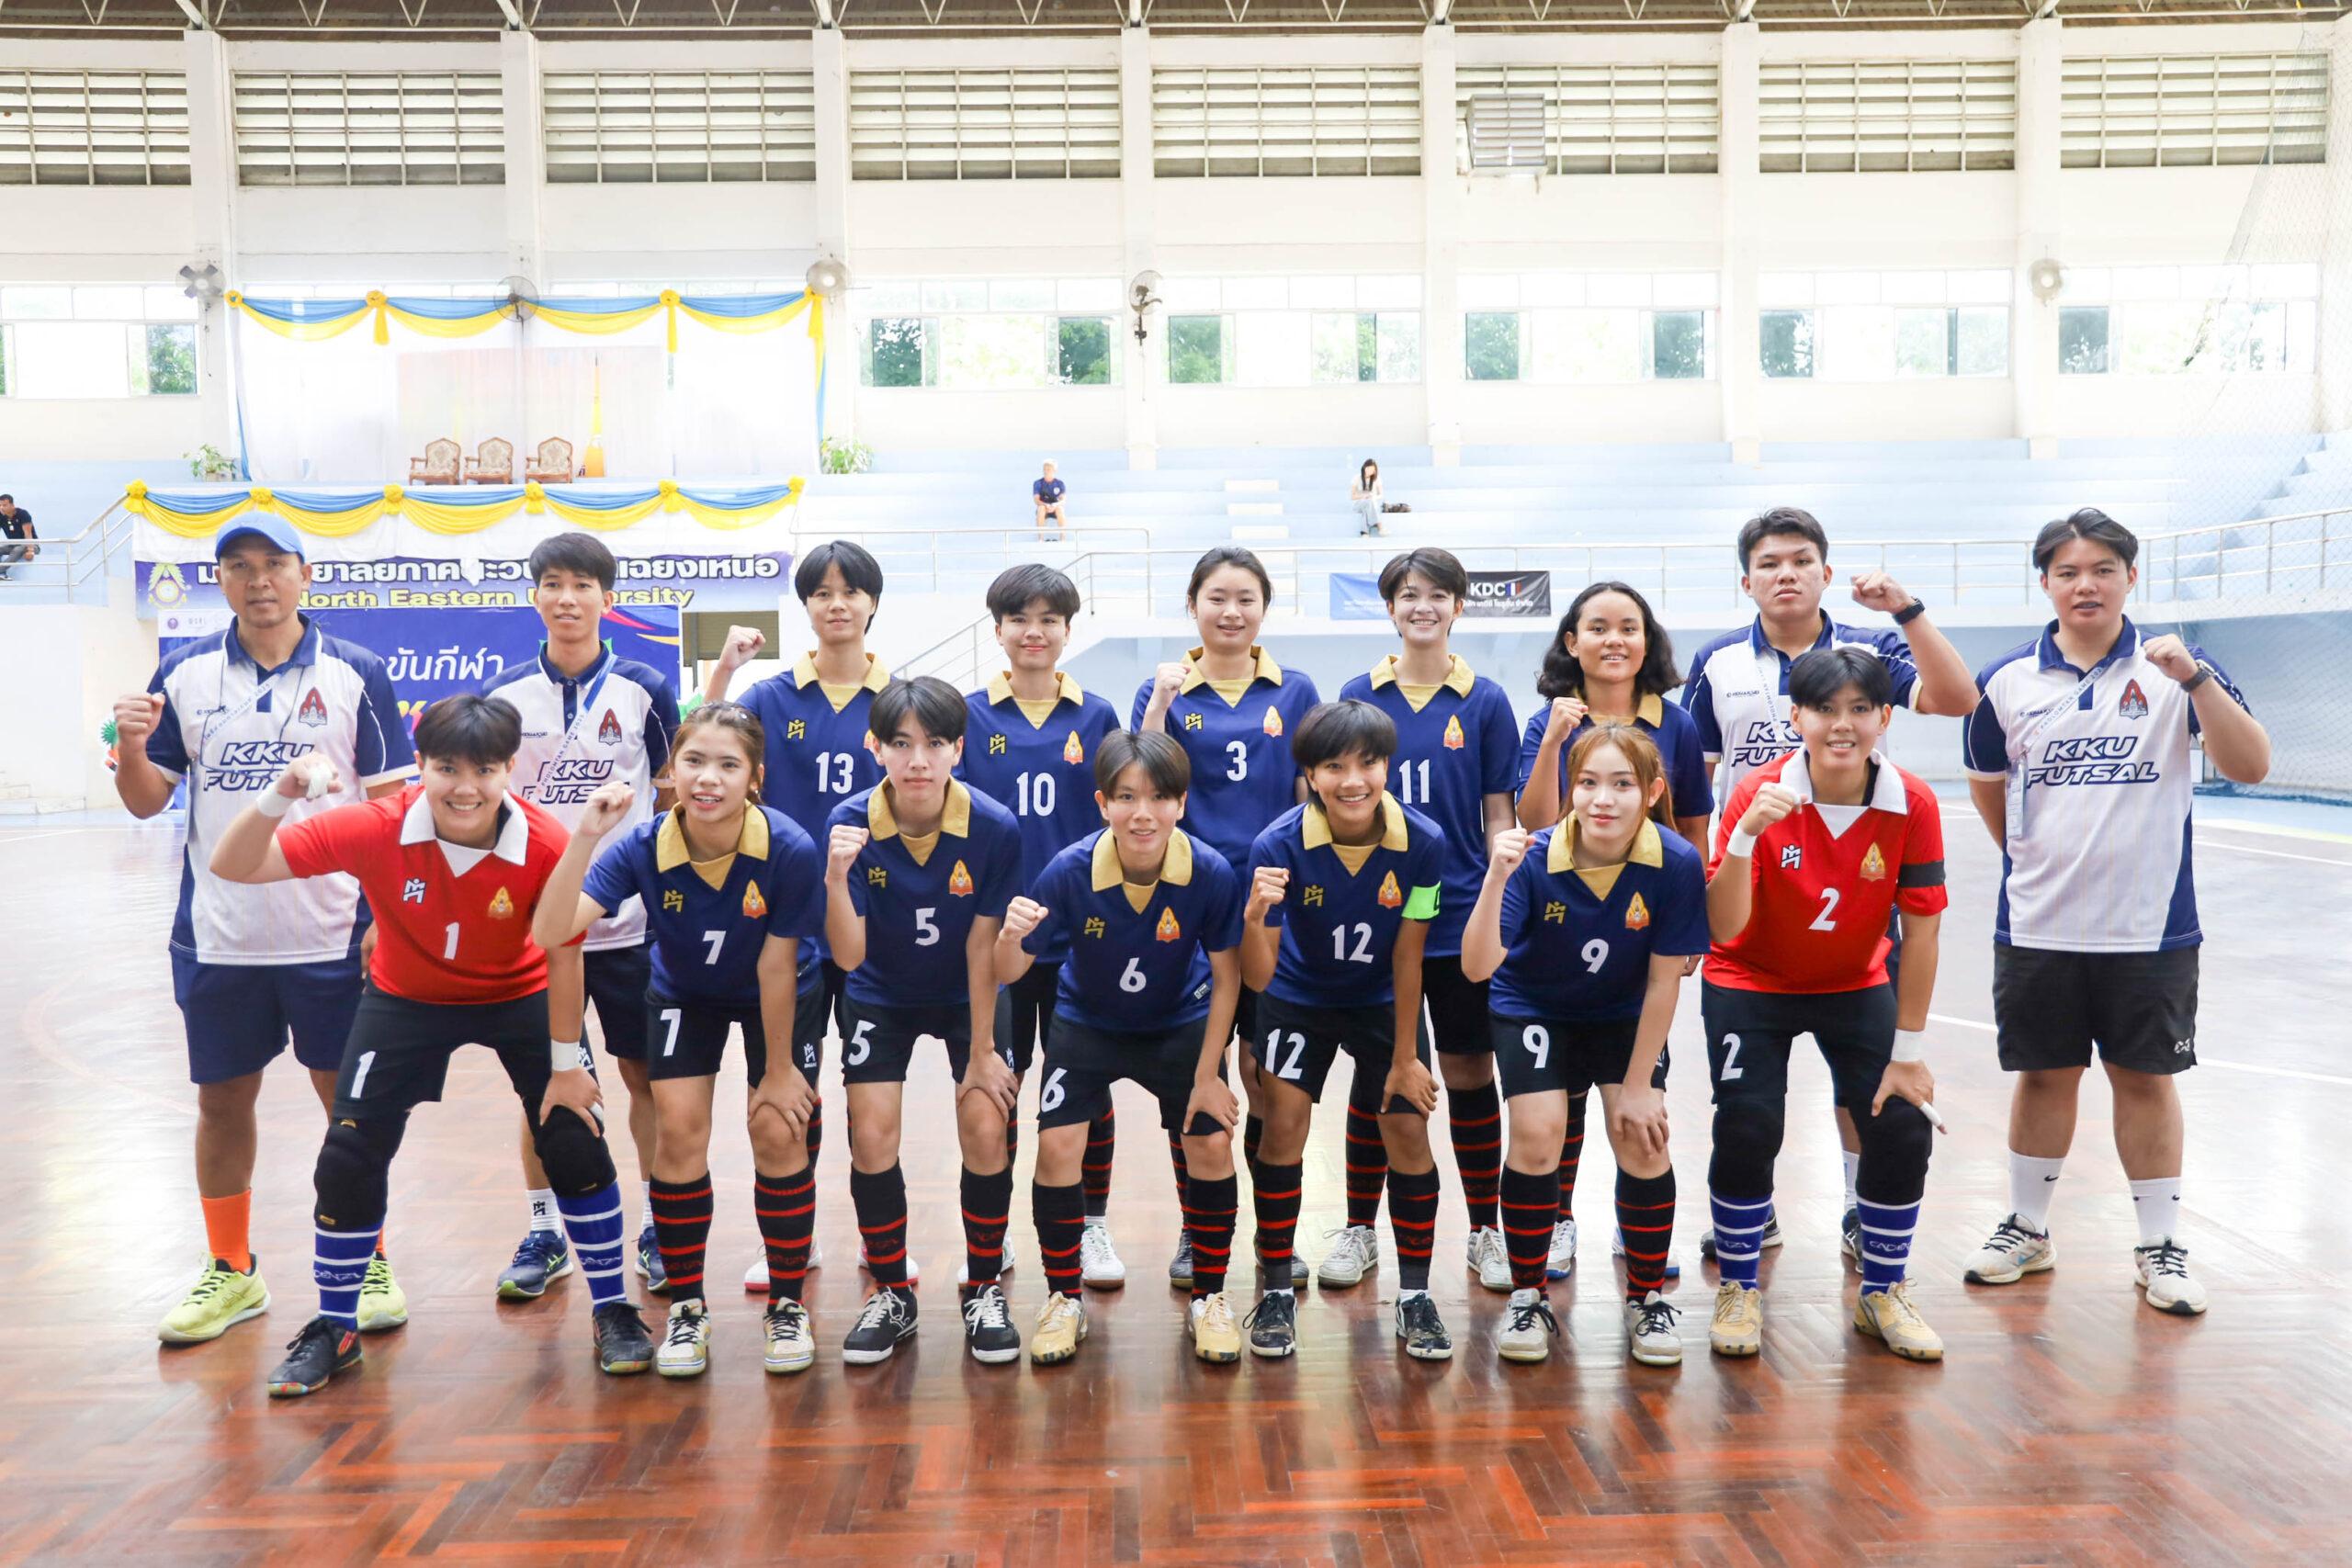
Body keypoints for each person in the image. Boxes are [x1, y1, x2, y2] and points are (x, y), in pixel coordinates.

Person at [210, 694, 656, 1396]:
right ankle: (336, 1326)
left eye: (485, 770)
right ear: (419, 764)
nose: (465, 787)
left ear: (510, 768)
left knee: (573, 1132)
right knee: (348, 1153)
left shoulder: (543, 841)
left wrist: (567, 1067)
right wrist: (281, 793)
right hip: (406, 998)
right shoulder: (376, 825)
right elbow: (236, 864)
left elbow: (565, 950)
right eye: (447, 768)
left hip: (519, 992)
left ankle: (612, 1308)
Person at [113, 515, 417, 1348]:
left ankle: (369, 1259)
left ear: (304, 574)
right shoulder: (183, 673)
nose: (259, 580)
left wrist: (386, 919)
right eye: (239, 566)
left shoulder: (357, 672)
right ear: (220, 580)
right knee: (221, 1103)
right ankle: (231, 1267)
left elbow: (393, 807)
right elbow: (145, 799)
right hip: (220, 936)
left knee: (348, 1108)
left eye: (275, 564)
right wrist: (133, 746)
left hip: (333, 935)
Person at [1958, 509, 2267, 1317]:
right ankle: (2028, 1226)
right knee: (2043, 1074)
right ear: (2045, 583)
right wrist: (2036, 861)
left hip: (2149, 925)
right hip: (2038, 922)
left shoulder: (2179, 669)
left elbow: (2251, 764)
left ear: (2131, 577)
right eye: (2068, 571)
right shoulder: (2005, 680)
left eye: (2102, 569)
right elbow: (1990, 789)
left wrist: (2195, 681)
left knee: (2146, 1079)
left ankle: (2160, 1243)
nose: (2085, 584)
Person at [1680, 506, 1975, 1266]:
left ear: (1826, 572)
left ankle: (1858, 1206)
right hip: (1756, 878)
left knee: (1871, 1093)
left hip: (1855, 880)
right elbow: (1693, 787)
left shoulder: (1871, 649)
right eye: (1770, 562)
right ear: (1746, 580)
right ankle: (1750, 1225)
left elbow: (1957, 699)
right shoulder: (1717, 661)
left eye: (1801, 560)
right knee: (1749, 1115)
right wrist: (1706, 885)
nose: (1786, 573)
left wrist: (1907, 610)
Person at [532, 704, 830, 1377]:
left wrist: (779, 1070)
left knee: (777, 1127)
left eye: (728, 765)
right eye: (694, 761)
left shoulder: (788, 848)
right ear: (671, 769)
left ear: (754, 777)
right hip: (685, 993)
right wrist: (585, 834)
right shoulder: (640, 845)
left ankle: (787, 1304)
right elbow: (552, 931)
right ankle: (688, 1307)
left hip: (778, 990)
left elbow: (777, 965)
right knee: (678, 1131)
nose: (708, 778)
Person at [1701, 647, 1949, 1364]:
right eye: (1825, 709)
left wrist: (1909, 1053)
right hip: (1750, 979)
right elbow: (1722, 927)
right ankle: (1739, 1286)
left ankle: (1883, 1290)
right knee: (1749, 1121)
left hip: (1853, 982)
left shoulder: (1912, 802)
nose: (1843, 724)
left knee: (1902, 1123)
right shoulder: (1759, 793)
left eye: (1860, 709)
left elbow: (1923, 931)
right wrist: (1744, 837)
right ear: (1796, 717)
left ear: (1885, 718)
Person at [997, 731, 1247, 1365]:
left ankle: (1209, 1297)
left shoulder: (1210, 872)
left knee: (1212, 1143)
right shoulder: (1069, 870)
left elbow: (1228, 977)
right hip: (1088, 1021)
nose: (1143, 813)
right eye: (1127, 797)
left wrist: (1211, 1074)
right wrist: (1008, 937)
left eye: (1159, 797)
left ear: (1181, 803)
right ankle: (1063, 1298)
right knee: (1057, 1144)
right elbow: (1009, 969)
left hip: (1180, 1020)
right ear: (1103, 802)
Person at [1463, 724, 1708, 1366]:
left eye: (1622, 784)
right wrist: (1493, 879)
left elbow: (1665, 980)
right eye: (1589, 782)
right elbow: (1477, 966)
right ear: (1570, 789)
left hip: (1624, 1013)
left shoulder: (1676, 861)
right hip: (1535, 1006)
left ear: (1651, 791)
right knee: (1538, 1131)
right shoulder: (1532, 857)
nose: (1603, 798)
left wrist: (1639, 1086)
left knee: (1642, 1133)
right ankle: (1528, 1295)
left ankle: (1646, 1298)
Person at [481, 533, 680, 1303]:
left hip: (631, 927)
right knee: (544, 1084)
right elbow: (488, 807)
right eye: (553, 583)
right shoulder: (505, 695)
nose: (567, 598)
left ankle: (660, 1224)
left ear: (607, 597)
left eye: (583, 584)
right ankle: (545, 1229)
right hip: (538, 929)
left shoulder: (644, 688)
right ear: (534, 596)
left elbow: (670, 791)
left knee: (646, 1077)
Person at [1134, 546, 1322, 1291]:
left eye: (1246, 598)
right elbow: (1143, 779)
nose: (1231, 611)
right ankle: (1198, 1225)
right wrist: (1158, 703)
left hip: (1276, 910)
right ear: (1193, 605)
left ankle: (1276, 1239)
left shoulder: (1296, 688)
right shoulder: (1167, 689)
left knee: (1266, 1077)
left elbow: (1314, 793)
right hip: (1194, 907)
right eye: (1217, 597)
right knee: (1197, 1073)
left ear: (1264, 609)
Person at [1239, 701, 1451, 1360]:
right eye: (1334, 766)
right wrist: (1253, 917)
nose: (1352, 780)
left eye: (1368, 763)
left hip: (1383, 998)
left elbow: (1410, 952)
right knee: (1283, 1124)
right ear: (1310, 774)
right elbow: (1258, 974)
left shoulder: (1424, 842)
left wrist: (1406, 1056)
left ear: (1388, 766)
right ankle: (1277, 1286)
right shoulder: (1276, 845)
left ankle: (1415, 1294)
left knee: (1407, 1127)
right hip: (1298, 997)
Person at [1514, 579, 1711, 1286]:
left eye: (1629, 626)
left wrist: (1692, 923)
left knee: (1636, 1089)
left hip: (1641, 925)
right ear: (1572, 642)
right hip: (1562, 921)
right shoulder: (1549, 721)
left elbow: (1692, 825)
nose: (1614, 639)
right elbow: (1535, 822)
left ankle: (1638, 1227)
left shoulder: (1675, 723)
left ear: (1647, 640)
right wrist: (1554, 739)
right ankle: (1558, 1219)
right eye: (1598, 626)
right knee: (1554, 1102)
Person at [824, 677, 1026, 1365]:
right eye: (901, 743)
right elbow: (848, 955)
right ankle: (892, 1292)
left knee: (986, 1121)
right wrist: (835, 877)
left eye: (935, 744)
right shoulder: (848, 823)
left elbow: (983, 945)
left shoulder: (994, 826)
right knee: (871, 1132)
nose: (918, 760)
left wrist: (981, 1052)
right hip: (879, 990)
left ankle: (983, 1286)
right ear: (874, 746)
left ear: (958, 750)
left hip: (968, 992)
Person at [706, 538, 889, 1291]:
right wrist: (725, 671)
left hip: (876, 924)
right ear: (805, 605)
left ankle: (882, 1239)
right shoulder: (769, 698)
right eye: (821, 592)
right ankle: (792, 1239)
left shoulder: (901, 699)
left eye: (851, 591)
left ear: (873, 602)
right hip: (785, 927)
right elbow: (704, 747)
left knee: (874, 1094)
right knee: (785, 1085)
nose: (837, 604)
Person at [1334, 549, 1516, 1297]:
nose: (1423, 607)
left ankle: (1485, 1230)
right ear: (1390, 607)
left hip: (1460, 916)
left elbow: (1499, 812)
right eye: (1409, 594)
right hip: (1381, 917)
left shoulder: (1487, 700)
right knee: (1380, 1070)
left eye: (1438, 594)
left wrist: (1499, 899)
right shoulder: (1359, 694)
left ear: (1458, 606)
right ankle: (1358, 1227)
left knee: (1471, 1070)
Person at [958, 564, 1127, 1289]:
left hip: (1080, 936)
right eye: (1020, 619)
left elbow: (1122, 815)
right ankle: (991, 1236)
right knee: (997, 1083)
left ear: (1067, 630)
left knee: (1084, 1083)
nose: (1034, 632)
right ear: (997, 630)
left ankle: (1090, 1223)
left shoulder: (1098, 715)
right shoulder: (967, 715)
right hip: (996, 938)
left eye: (1049, 619)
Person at [0, 493, 35, 579]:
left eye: (4, 505)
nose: (1, 508)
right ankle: (2, 574)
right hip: (13, 545)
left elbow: (28, 533)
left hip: (30, 545)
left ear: (12, 505)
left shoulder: (23, 514)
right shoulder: (1, 516)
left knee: (18, 549)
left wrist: (30, 550)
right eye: (0, 505)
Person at [1034, 461, 1068, 542]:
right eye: (1044, 469)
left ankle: (1062, 538)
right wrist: (1046, 505)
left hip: (1055, 507)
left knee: (1060, 509)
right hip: (1044, 508)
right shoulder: (1038, 483)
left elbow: (1063, 500)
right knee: (1041, 508)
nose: (1046, 471)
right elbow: (1036, 500)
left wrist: (1055, 505)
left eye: (1048, 469)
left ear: (1054, 471)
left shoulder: (1060, 483)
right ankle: (1040, 538)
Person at [1351, 459, 1385, 537]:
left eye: (1372, 470)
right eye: (1368, 468)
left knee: (1367, 506)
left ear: (1374, 471)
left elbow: (1381, 495)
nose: (1369, 471)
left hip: (1372, 504)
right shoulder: (1357, 478)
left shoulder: (1377, 479)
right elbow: (1352, 496)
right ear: (1364, 467)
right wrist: (1364, 496)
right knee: (1368, 502)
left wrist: (1373, 497)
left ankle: (1364, 532)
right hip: (1358, 504)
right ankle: (1379, 525)